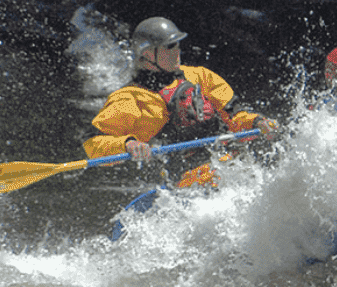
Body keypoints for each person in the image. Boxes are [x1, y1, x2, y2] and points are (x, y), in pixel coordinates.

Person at [83, 17, 277, 188]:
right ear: (148, 54)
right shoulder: (130, 98)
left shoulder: (200, 76)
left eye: (177, 44)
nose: (178, 50)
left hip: (229, 164)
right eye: (170, 46)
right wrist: (128, 144)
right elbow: (93, 142)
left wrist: (257, 122)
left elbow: (236, 115)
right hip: (186, 182)